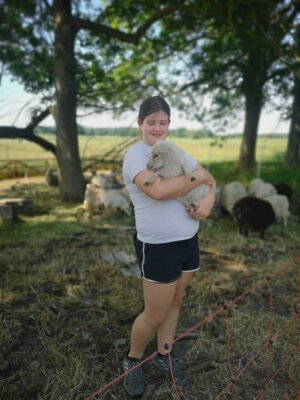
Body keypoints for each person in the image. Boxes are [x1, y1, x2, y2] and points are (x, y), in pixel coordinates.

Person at [122, 96, 216, 397]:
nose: (158, 128)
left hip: (188, 241)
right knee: (154, 313)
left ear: (169, 124)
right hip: (159, 246)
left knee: (175, 301)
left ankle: (164, 356)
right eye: (151, 122)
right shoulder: (136, 155)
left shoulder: (176, 149)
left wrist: (209, 203)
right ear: (140, 123)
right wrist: (194, 177)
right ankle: (133, 360)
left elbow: (210, 180)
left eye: (163, 122)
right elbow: (160, 191)